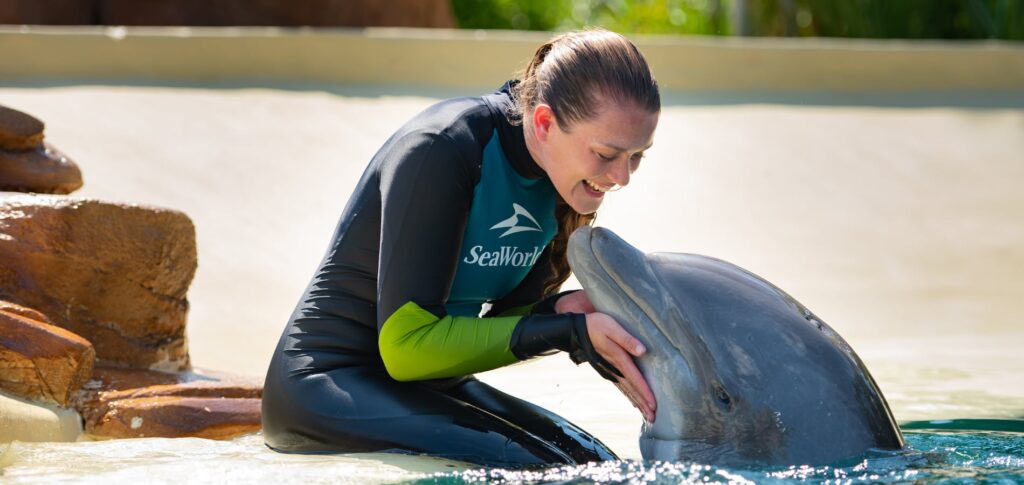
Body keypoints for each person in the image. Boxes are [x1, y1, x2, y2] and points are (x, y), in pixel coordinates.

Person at [262, 28, 660, 467]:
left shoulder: (561, 181)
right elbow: (406, 349)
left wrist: (564, 312)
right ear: (545, 123)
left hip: (432, 383)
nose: (622, 177)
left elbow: (504, 327)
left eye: (637, 156)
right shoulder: (444, 147)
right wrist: (568, 332)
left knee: (596, 464)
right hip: (329, 384)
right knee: (546, 469)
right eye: (606, 154)